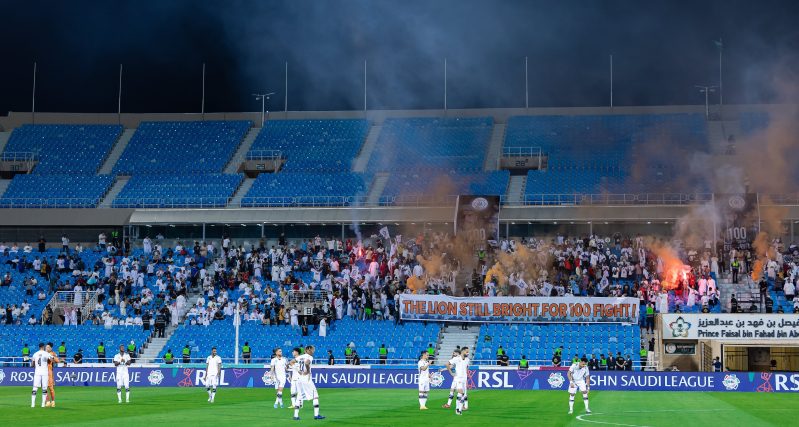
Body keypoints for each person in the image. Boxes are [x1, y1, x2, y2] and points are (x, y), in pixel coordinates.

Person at [292, 345, 325, 420]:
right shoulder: (309, 357)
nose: (313, 351)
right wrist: (307, 370)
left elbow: (291, 362)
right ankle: (316, 415)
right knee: (315, 396)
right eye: (313, 350)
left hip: (299, 378)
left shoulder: (300, 356)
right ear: (308, 350)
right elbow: (307, 363)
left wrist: (297, 370)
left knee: (299, 397)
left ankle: (295, 416)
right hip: (306, 378)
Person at [446, 347, 470, 415]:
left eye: (468, 352)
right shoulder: (456, 358)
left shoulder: (467, 360)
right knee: (460, 393)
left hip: (464, 379)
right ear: (462, 351)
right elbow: (447, 364)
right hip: (458, 379)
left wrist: (467, 379)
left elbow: (466, 369)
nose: (468, 353)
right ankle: (457, 410)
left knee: (462, 395)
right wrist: (451, 373)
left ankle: (459, 410)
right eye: (466, 352)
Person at [31, 343, 52, 408]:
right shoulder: (46, 353)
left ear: (39, 347)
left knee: (35, 388)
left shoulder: (35, 354)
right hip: (44, 372)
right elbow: (51, 360)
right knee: (44, 388)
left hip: (37, 372)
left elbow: (32, 365)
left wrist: (33, 361)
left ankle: (32, 404)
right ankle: (43, 404)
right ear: (43, 347)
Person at [45, 343, 60, 407]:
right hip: (43, 372)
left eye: (48, 347)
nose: (47, 348)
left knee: (51, 388)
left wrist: (52, 357)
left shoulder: (53, 353)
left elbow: (57, 361)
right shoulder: (44, 353)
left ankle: (53, 401)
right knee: (44, 388)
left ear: (51, 348)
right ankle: (48, 401)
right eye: (46, 347)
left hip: (49, 372)